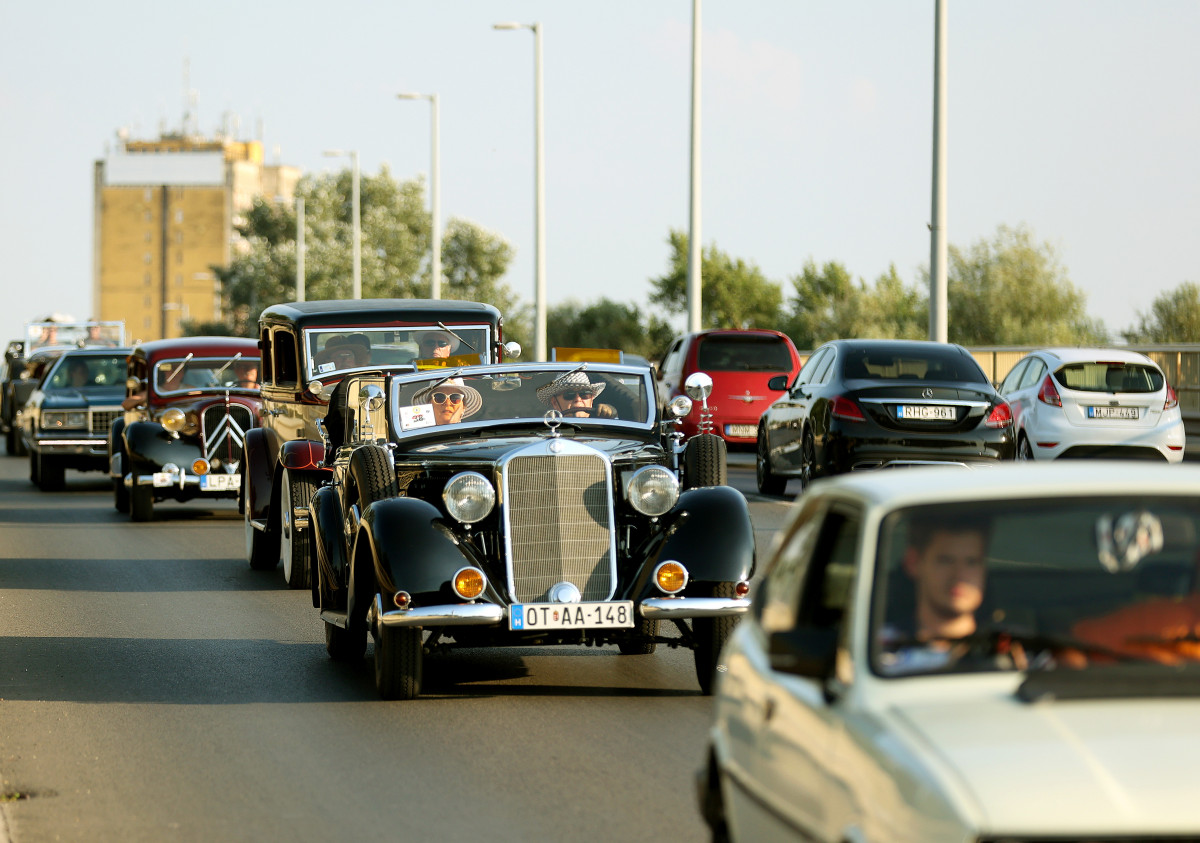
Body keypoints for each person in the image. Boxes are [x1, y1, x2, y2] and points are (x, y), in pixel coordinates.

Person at [877, 512, 992, 673]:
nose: (959, 576)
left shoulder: (1017, 652)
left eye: (971, 562)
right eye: (945, 561)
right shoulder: (876, 650)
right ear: (913, 563)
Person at [535, 371, 617, 418]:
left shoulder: (605, 430)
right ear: (555, 403)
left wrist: (610, 412)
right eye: (569, 394)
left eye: (584, 394)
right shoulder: (548, 430)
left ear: (591, 400)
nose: (578, 399)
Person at [412, 377, 482, 425]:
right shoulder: (418, 439)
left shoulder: (472, 442)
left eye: (455, 398)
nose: (447, 403)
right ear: (429, 405)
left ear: (463, 408)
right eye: (439, 397)